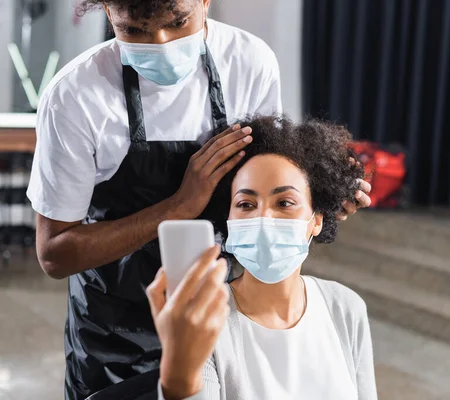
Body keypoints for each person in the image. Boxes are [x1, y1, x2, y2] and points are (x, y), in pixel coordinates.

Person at [26, 1, 372, 399]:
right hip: (115, 338)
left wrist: (321, 199)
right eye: (135, 31)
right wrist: (177, 208)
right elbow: (54, 253)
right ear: (107, 11)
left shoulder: (249, 62)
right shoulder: (74, 97)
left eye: (178, 22)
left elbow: (264, 179)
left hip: (221, 318)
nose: (162, 43)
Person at [147, 115, 377, 400]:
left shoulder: (345, 308)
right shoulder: (205, 319)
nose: (264, 218)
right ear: (228, 220)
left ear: (316, 219)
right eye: (246, 204)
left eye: (284, 203)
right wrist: (179, 372)